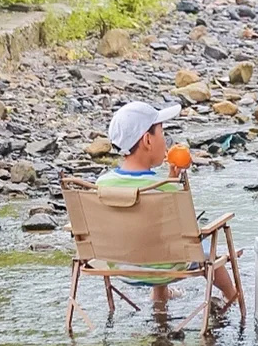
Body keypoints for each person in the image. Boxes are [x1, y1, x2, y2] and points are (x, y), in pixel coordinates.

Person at [99, 100, 237, 310]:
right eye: (162, 133)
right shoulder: (164, 189)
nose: (166, 141)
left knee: (147, 236)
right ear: (147, 140)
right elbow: (185, 230)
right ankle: (232, 297)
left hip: (120, 267)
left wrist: (171, 180)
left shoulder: (102, 186)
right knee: (208, 249)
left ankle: (159, 300)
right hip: (168, 267)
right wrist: (175, 185)